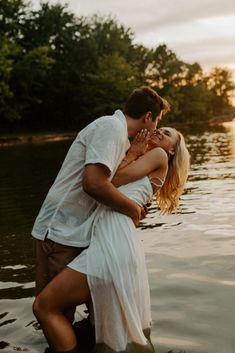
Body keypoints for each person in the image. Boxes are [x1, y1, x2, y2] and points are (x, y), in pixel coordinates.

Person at [33, 127, 190, 353]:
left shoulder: (159, 155)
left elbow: (109, 180)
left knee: (44, 306)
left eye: (167, 134)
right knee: (94, 321)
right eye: (160, 128)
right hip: (109, 241)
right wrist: (132, 153)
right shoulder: (143, 159)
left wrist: (133, 153)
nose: (159, 132)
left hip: (112, 245)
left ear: (173, 149)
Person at [31, 86, 169, 322]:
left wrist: (132, 194)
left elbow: (110, 183)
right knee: (54, 312)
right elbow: (94, 184)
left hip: (77, 231)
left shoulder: (120, 138)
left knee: (62, 312)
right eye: (156, 122)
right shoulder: (110, 127)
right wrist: (132, 208)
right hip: (61, 231)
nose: (155, 129)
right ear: (148, 117)